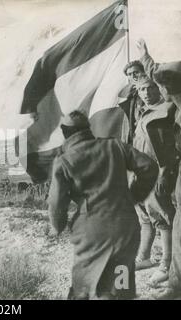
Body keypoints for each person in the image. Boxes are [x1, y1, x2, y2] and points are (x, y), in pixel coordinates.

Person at [48, 110, 158, 300]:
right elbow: (148, 166)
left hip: (92, 233)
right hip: (125, 228)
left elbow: (57, 203)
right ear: (87, 129)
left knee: (84, 287)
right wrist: (133, 196)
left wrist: (57, 226)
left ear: (65, 133)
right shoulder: (115, 146)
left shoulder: (64, 161)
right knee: (120, 287)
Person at [137, 39, 181, 299]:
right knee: (178, 229)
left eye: (163, 87)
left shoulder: (175, 102)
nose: (160, 90)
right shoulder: (175, 101)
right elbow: (159, 72)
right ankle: (175, 285)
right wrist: (146, 57)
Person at [129, 77, 177, 286]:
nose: (146, 92)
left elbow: (171, 146)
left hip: (158, 172)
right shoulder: (142, 111)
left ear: (158, 88)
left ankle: (167, 264)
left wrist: (165, 172)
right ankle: (144, 257)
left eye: (150, 88)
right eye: (142, 89)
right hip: (141, 172)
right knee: (145, 216)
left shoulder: (167, 109)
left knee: (163, 218)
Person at [119, 61, 147, 145]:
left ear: (144, 72)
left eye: (136, 72)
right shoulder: (130, 97)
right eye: (130, 74)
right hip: (133, 143)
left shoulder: (152, 92)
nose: (133, 76)